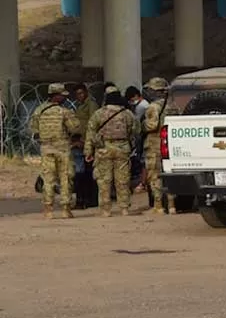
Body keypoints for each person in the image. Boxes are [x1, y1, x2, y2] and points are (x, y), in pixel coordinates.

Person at [85, 88, 140, 217]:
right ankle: (124, 208)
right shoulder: (127, 114)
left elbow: (90, 133)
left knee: (104, 180)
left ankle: (105, 209)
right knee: (123, 180)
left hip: (104, 149)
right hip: (122, 149)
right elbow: (135, 130)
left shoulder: (99, 113)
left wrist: (88, 151)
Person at [30, 83, 81, 218]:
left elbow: (34, 131)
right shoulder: (64, 111)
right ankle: (65, 209)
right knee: (65, 177)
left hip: (46, 148)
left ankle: (48, 210)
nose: (64, 98)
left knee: (48, 179)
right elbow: (75, 128)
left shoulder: (38, 110)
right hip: (63, 148)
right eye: (62, 96)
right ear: (56, 96)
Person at [141, 77, 175, 214]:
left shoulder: (153, 107)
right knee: (169, 174)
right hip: (170, 143)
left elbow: (152, 125)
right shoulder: (173, 106)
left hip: (155, 143)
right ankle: (172, 205)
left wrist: (142, 125)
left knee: (154, 175)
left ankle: (158, 205)